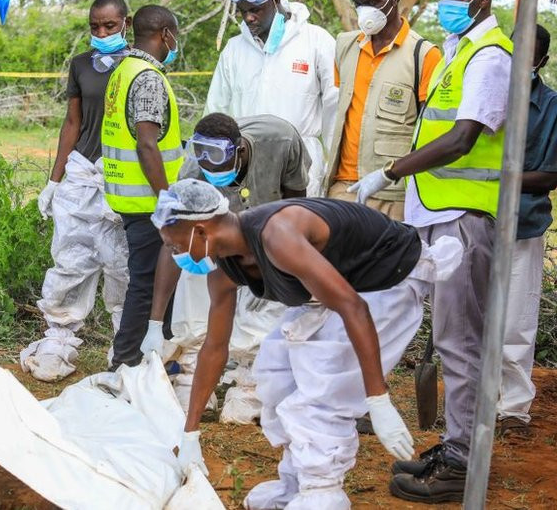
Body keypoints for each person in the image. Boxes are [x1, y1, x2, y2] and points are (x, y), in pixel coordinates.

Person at [162, 179, 461, 509]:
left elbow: (353, 307)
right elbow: (214, 348)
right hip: (338, 289)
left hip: (387, 278)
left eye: (175, 246)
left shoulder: (277, 236)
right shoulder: (224, 269)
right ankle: (297, 484)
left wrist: (378, 399)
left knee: (323, 391)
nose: (174, 255)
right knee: (278, 373)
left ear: (201, 232)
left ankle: (323, 492)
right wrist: (191, 433)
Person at [348, 0, 512, 503]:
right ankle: (456, 445)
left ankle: (464, 461)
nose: (444, 5)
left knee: (461, 342)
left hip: (464, 216)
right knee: (450, 338)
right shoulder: (457, 50)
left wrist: (389, 172)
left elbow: (464, 136)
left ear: (482, 0)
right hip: (440, 213)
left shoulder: (489, 56)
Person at [144, 112, 310, 419]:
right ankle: (193, 372)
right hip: (216, 237)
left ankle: (252, 380)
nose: (208, 164)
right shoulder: (196, 170)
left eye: (217, 157)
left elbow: (296, 205)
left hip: (271, 229)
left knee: (267, 302)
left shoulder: (282, 141)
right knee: (197, 285)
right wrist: (155, 323)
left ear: (240, 151)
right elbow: (173, 242)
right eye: (200, 154)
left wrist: (280, 258)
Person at [22, 0, 131, 382]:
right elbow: (72, 123)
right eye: (95, 27)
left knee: (124, 264)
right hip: (82, 173)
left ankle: (126, 343)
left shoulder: (139, 66)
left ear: (126, 24)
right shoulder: (81, 65)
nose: (101, 33)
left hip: (123, 175)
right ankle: (60, 337)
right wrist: (54, 180)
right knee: (71, 258)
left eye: (110, 26)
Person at [204, 0, 337, 197]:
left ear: (275, 2)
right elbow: (216, 109)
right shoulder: (234, 49)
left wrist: (336, 170)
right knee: (248, 227)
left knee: (296, 226)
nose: (248, 18)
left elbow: (335, 108)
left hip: (302, 164)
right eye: (243, 11)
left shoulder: (316, 41)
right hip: (246, 162)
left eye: (255, 10)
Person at [101, 4, 184, 369]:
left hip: (128, 195)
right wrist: (167, 197)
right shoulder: (148, 78)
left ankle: (154, 356)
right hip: (148, 199)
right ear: (165, 34)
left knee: (149, 277)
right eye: (174, 36)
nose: (174, 42)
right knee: (148, 281)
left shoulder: (123, 70)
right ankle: (127, 359)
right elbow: (146, 143)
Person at [325, 0, 441, 221]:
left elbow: (429, 130)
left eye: (374, 3)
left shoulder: (423, 55)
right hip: (343, 187)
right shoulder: (345, 46)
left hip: (393, 193)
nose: (366, 11)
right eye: (360, 4)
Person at [498, 25, 557, 438]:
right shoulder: (484, 90)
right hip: (474, 221)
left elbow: (550, 174)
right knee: (472, 316)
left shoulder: (552, 107)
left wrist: (498, 177)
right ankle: (475, 401)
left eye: (530, 55)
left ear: (542, 62)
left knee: (515, 321)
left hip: (524, 222)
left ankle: (513, 411)